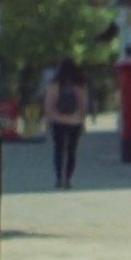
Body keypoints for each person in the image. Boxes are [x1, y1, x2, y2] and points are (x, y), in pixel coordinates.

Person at [46, 59, 90, 189]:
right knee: (72, 151)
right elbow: (83, 105)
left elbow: (49, 104)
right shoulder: (79, 85)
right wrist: (82, 120)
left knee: (58, 150)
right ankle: (69, 179)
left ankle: (59, 178)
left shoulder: (54, 84)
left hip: (57, 120)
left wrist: (49, 120)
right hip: (74, 121)